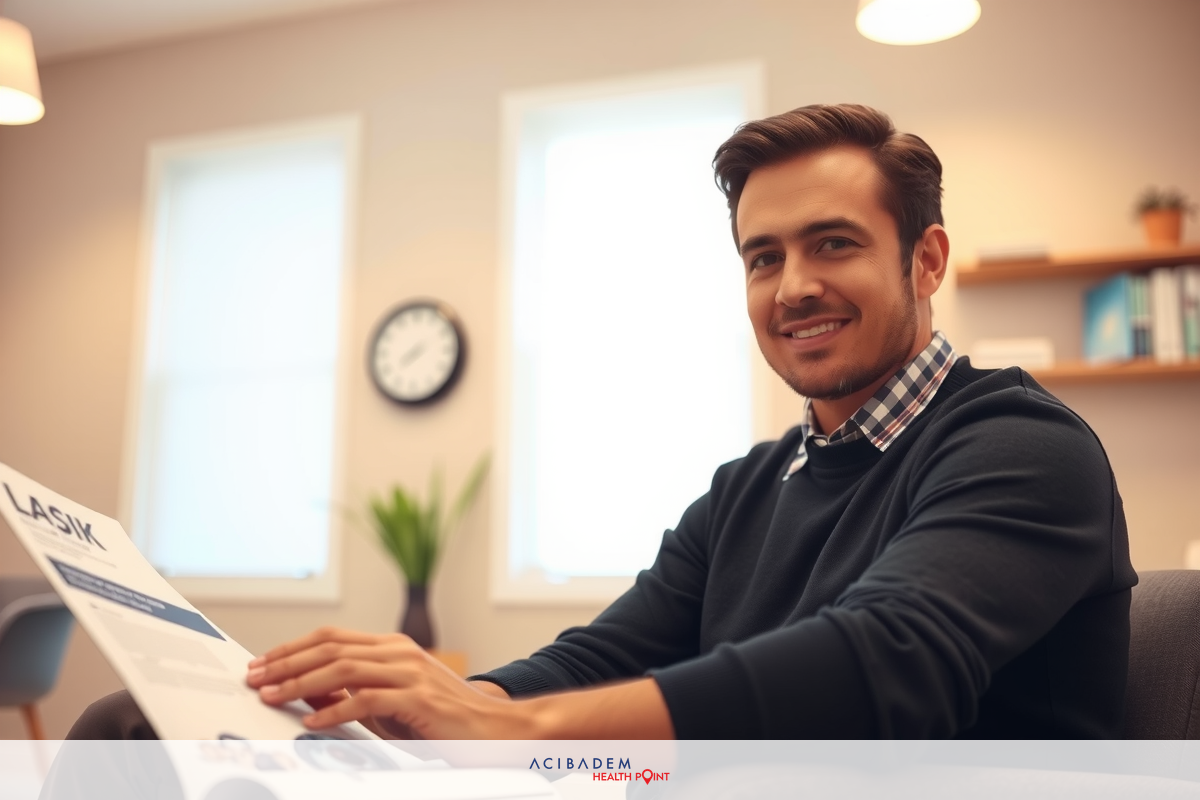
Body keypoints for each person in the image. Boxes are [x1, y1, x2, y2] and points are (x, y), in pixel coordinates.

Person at [68, 103, 1135, 740]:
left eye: (834, 243)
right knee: (142, 726)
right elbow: (605, 653)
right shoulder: (749, 487)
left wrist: (507, 728)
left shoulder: (1022, 448)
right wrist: (434, 699)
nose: (793, 284)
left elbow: (886, 657)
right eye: (763, 257)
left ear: (927, 258)